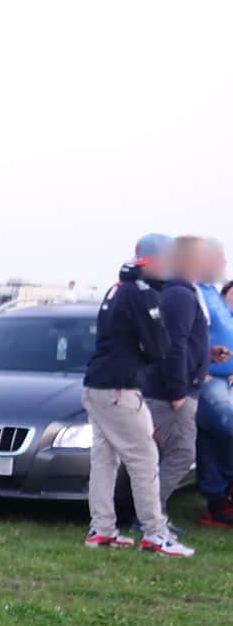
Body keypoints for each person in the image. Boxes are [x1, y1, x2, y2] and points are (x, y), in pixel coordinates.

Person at [81, 234, 188, 556]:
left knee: (104, 460)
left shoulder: (117, 288)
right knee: (144, 459)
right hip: (120, 389)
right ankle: (155, 534)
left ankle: (101, 529)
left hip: (98, 385)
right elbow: (159, 347)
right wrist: (148, 349)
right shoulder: (143, 294)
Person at [139, 235, 211, 524]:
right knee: (182, 454)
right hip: (172, 396)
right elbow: (173, 346)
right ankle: (150, 516)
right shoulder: (180, 295)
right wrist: (178, 392)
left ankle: (152, 515)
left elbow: (185, 341)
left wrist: (207, 353)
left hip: (177, 390)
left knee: (170, 455)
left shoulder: (185, 292)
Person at [194, 239, 233, 527]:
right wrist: (199, 367)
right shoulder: (194, 292)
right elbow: (185, 336)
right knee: (221, 434)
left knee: (212, 443)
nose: (223, 264)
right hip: (208, 382)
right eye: (219, 259)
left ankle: (217, 504)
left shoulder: (211, 295)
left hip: (223, 381)